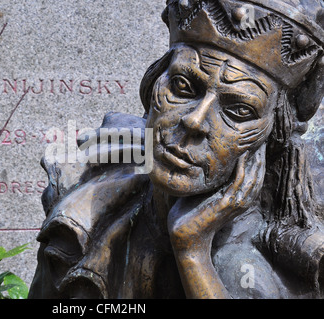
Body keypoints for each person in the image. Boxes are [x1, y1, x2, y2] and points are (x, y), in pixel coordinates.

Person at [29, 0, 324, 299]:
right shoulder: (86, 211)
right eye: (183, 86)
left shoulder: (271, 265)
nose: (195, 121)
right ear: (155, 83)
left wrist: (191, 250)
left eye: (238, 110)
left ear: (271, 135)